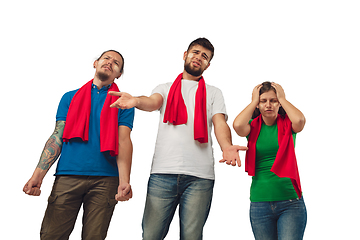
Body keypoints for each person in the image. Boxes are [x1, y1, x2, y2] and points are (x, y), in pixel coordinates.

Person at [109, 38, 247, 240]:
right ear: (185, 55)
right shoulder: (164, 88)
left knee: (192, 236)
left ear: (208, 65)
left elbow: (219, 123)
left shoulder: (214, 93)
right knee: (151, 235)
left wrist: (226, 146)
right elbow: (153, 102)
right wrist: (136, 101)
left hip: (200, 177)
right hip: (163, 174)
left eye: (204, 56)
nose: (199, 57)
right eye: (195, 52)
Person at [23, 50, 135, 240]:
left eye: (116, 63)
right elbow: (57, 137)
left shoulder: (124, 103)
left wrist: (124, 181)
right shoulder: (69, 97)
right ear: (95, 63)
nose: (110, 62)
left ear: (119, 74)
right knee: (52, 235)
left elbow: (124, 141)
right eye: (106, 58)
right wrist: (37, 175)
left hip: (105, 180)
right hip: (68, 175)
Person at [232, 82, 307, 240]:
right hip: (260, 203)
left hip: (290, 202)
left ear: (279, 103)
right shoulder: (252, 127)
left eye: (273, 100)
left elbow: (300, 120)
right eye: (263, 101)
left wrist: (283, 98)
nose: (268, 105)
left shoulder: (288, 125)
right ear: (258, 105)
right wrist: (253, 101)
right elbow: (238, 125)